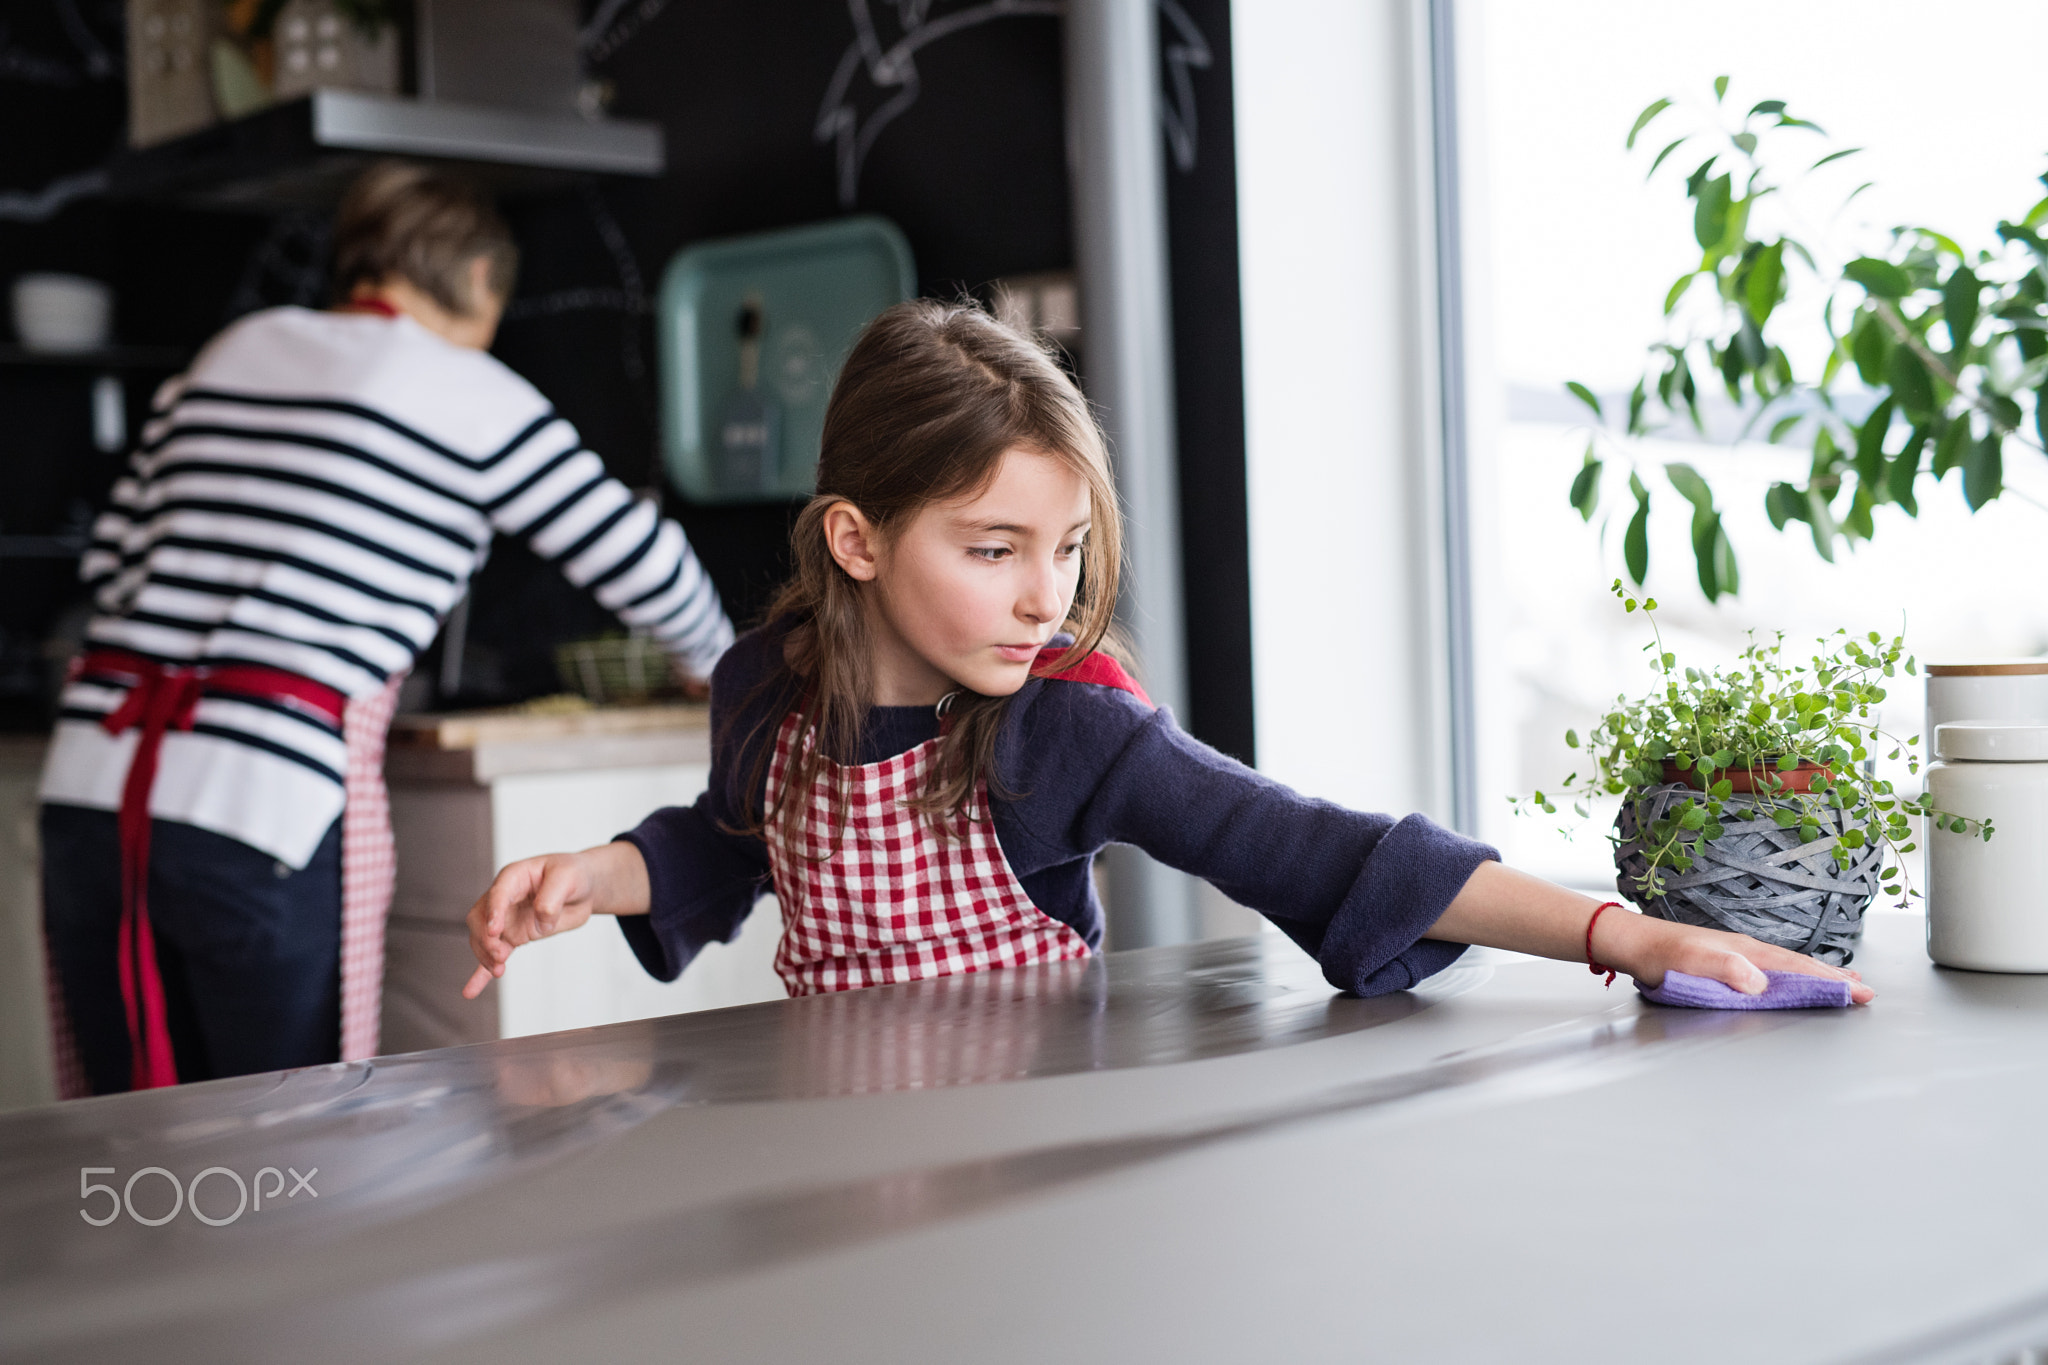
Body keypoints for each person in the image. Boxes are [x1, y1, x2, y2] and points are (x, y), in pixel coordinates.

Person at [460, 299, 1870, 1009]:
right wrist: (595, 877)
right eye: (993, 547)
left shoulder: (1063, 731)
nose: (1043, 599)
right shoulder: (767, 688)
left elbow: (1323, 850)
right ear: (857, 541)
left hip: (1033, 1168)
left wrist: (1620, 935)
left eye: (1066, 548)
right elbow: (731, 844)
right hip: (819, 1153)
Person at [40, 161, 735, 1095]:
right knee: (284, 1144)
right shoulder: (468, 389)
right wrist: (713, 665)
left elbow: (112, 568)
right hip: (259, 803)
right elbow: (640, 556)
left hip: (91, 785)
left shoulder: (228, 352)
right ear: (482, 282)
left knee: (125, 1133)